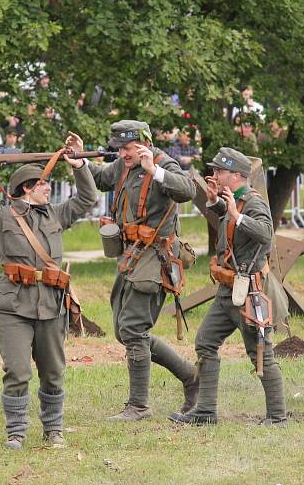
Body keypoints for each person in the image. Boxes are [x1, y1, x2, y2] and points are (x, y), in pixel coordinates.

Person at [0, 132, 97, 450]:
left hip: (51, 303)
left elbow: (87, 199)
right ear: (28, 189)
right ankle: (16, 432)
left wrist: (79, 166)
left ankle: (53, 431)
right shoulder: (2, 216)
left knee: (53, 372)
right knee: (17, 371)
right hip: (13, 306)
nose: (49, 188)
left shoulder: (57, 215)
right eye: (44, 184)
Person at [87, 120, 199, 422]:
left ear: (144, 144)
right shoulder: (123, 165)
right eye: (119, 148)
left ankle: (139, 406)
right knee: (126, 331)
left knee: (133, 329)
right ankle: (191, 376)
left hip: (156, 256)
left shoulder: (163, 163)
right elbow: (102, 179)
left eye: (127, 148)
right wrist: (78, 163)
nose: (122, 154)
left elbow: (188, 189)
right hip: (132, 254)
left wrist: (155, 171)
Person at [169, 148, 287, 426]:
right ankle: (206, 412)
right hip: (228, 290)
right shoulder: (234, 200)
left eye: (220, 171)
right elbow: (234, 229)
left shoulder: (253, 203)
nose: (215, 175)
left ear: (236, 175)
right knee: (205, 342)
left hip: (248, 292)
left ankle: (278, 416)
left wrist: (235, 214)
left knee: (260, 352)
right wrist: (218, 204)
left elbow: (266, 234)